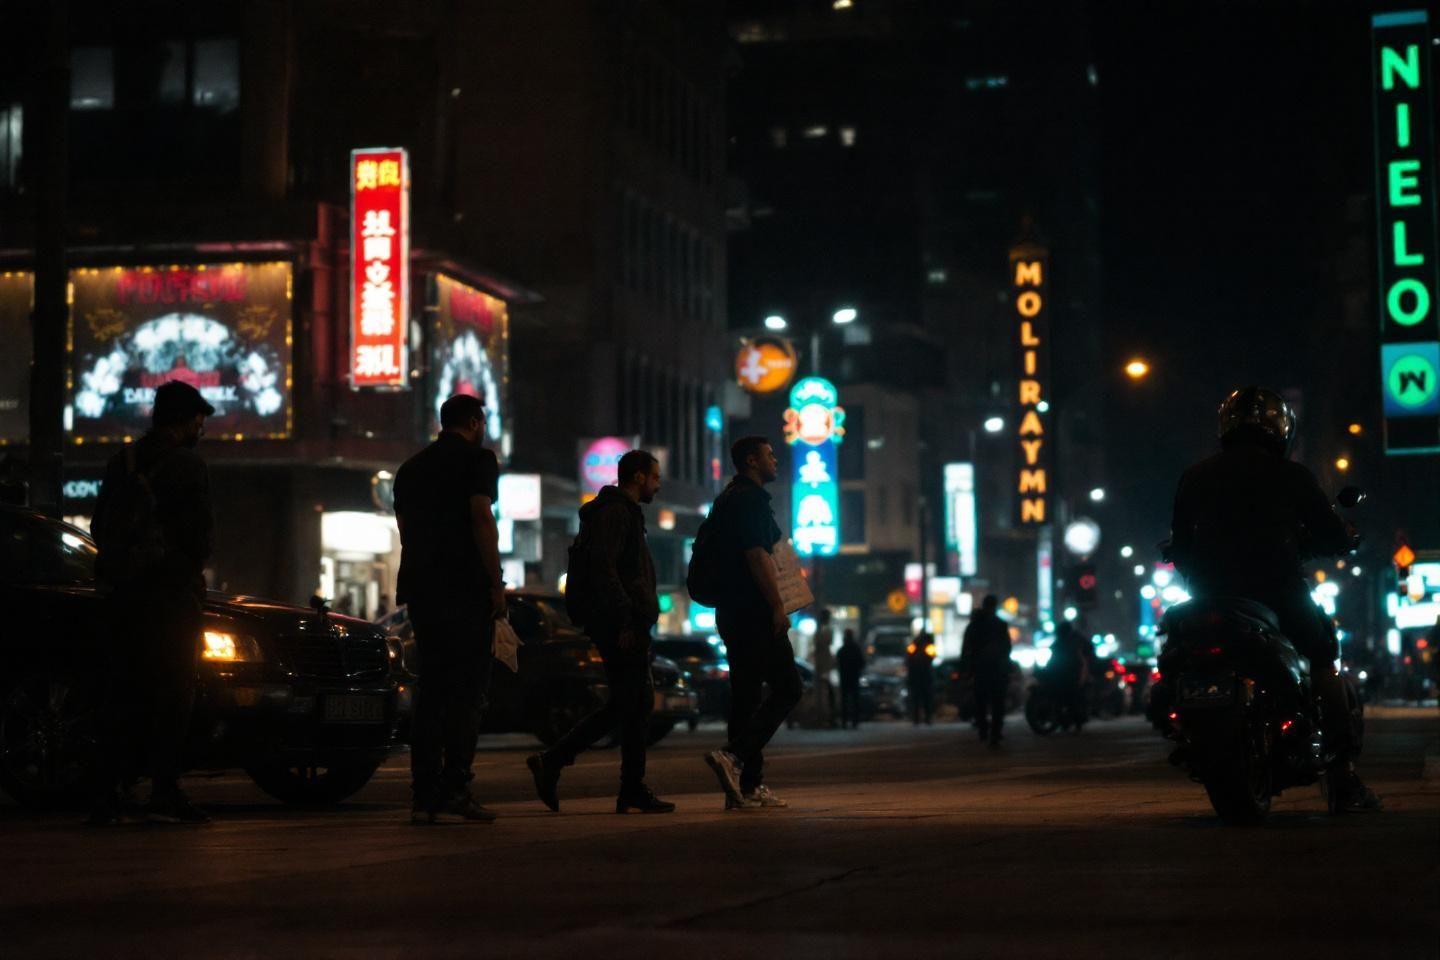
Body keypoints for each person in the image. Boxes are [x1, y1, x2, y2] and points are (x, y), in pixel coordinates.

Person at [1169, 385, 1379, 810]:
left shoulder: (1195, 475)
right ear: (1280, 428)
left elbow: (1180, 543)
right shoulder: (1292, 475)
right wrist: (1344, 537)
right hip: (1277, 591)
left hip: (1209, 597)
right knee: (1323, 654)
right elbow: (1330, 532)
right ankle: (1343, 776)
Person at [89, 380, 215, 825]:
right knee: (173, 693)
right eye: (199, 420)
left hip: (122, 596)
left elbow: (97, 525)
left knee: (121, 692)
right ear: (185, 421)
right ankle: (163, 788)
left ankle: (107, 792)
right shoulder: (188, 466)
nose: (202, 428)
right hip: (169, 598)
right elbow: (199, 538)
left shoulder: (120, 462)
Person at [526, 450, 674, 814]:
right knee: (632, 702)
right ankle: (558, 761)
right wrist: (626, 618)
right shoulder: (615, 513)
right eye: (654, 477)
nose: (658, 483)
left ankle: (626, 786)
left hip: (623, 622)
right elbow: (604, 569)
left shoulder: (619, 513)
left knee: (633, 704)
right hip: (620, 624)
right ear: (638, 477)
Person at [393, 394, 504, 824]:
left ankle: (423, 796)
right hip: (466, 588)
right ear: (475, 422)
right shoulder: (478, 460)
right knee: (468, 692)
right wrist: (495, 583)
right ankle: (456, 788)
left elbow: (404, 528)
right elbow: (481, 517)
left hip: (422, 589)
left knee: (432, 690)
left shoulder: (411, 468)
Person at [703, 436, 803, 810]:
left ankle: (745, 786)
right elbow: (757, 556)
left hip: (730, 611)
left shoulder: (727, 499)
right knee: (789, 688)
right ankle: (735, 757)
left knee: (745, 697)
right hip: (753, 611)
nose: (775, 460)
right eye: (769, 455)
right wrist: (778, 606)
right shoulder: (749, 500)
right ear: (750, 461)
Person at [961, 595, 1012, 746]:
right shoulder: (1000, 624)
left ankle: (983, 729)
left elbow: (966, 648)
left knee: (981, 701)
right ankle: (995, 733)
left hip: (980, 668)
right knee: (998, 702)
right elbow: (1007, 647)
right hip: (997, 669)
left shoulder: (974, 624)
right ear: (995, 606)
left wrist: (966, 668)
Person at [812, 609, 836, 727]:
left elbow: (825, 642)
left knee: (824, 689)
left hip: (823, 663)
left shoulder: (825, 630)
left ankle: (826, 717)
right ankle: (824, 716)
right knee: (823, 690)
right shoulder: (823, 629)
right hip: (822, 663)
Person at [837, 629, 865, 729]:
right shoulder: (856, 649)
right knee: (855, 700)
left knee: (844, 701)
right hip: (854, 677)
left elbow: (838, 664)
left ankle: (845, 721)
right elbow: (862, 662)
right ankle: (855, 721)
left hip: (844, 678)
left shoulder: (842, 650)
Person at [906, 633, 936, 726]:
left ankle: (919, 719)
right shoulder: (925, 647)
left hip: (918, 676)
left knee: (918, 699)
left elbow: (908, 658)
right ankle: (923, 718)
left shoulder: (917, 647)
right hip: (923, 676)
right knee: (924, 698)